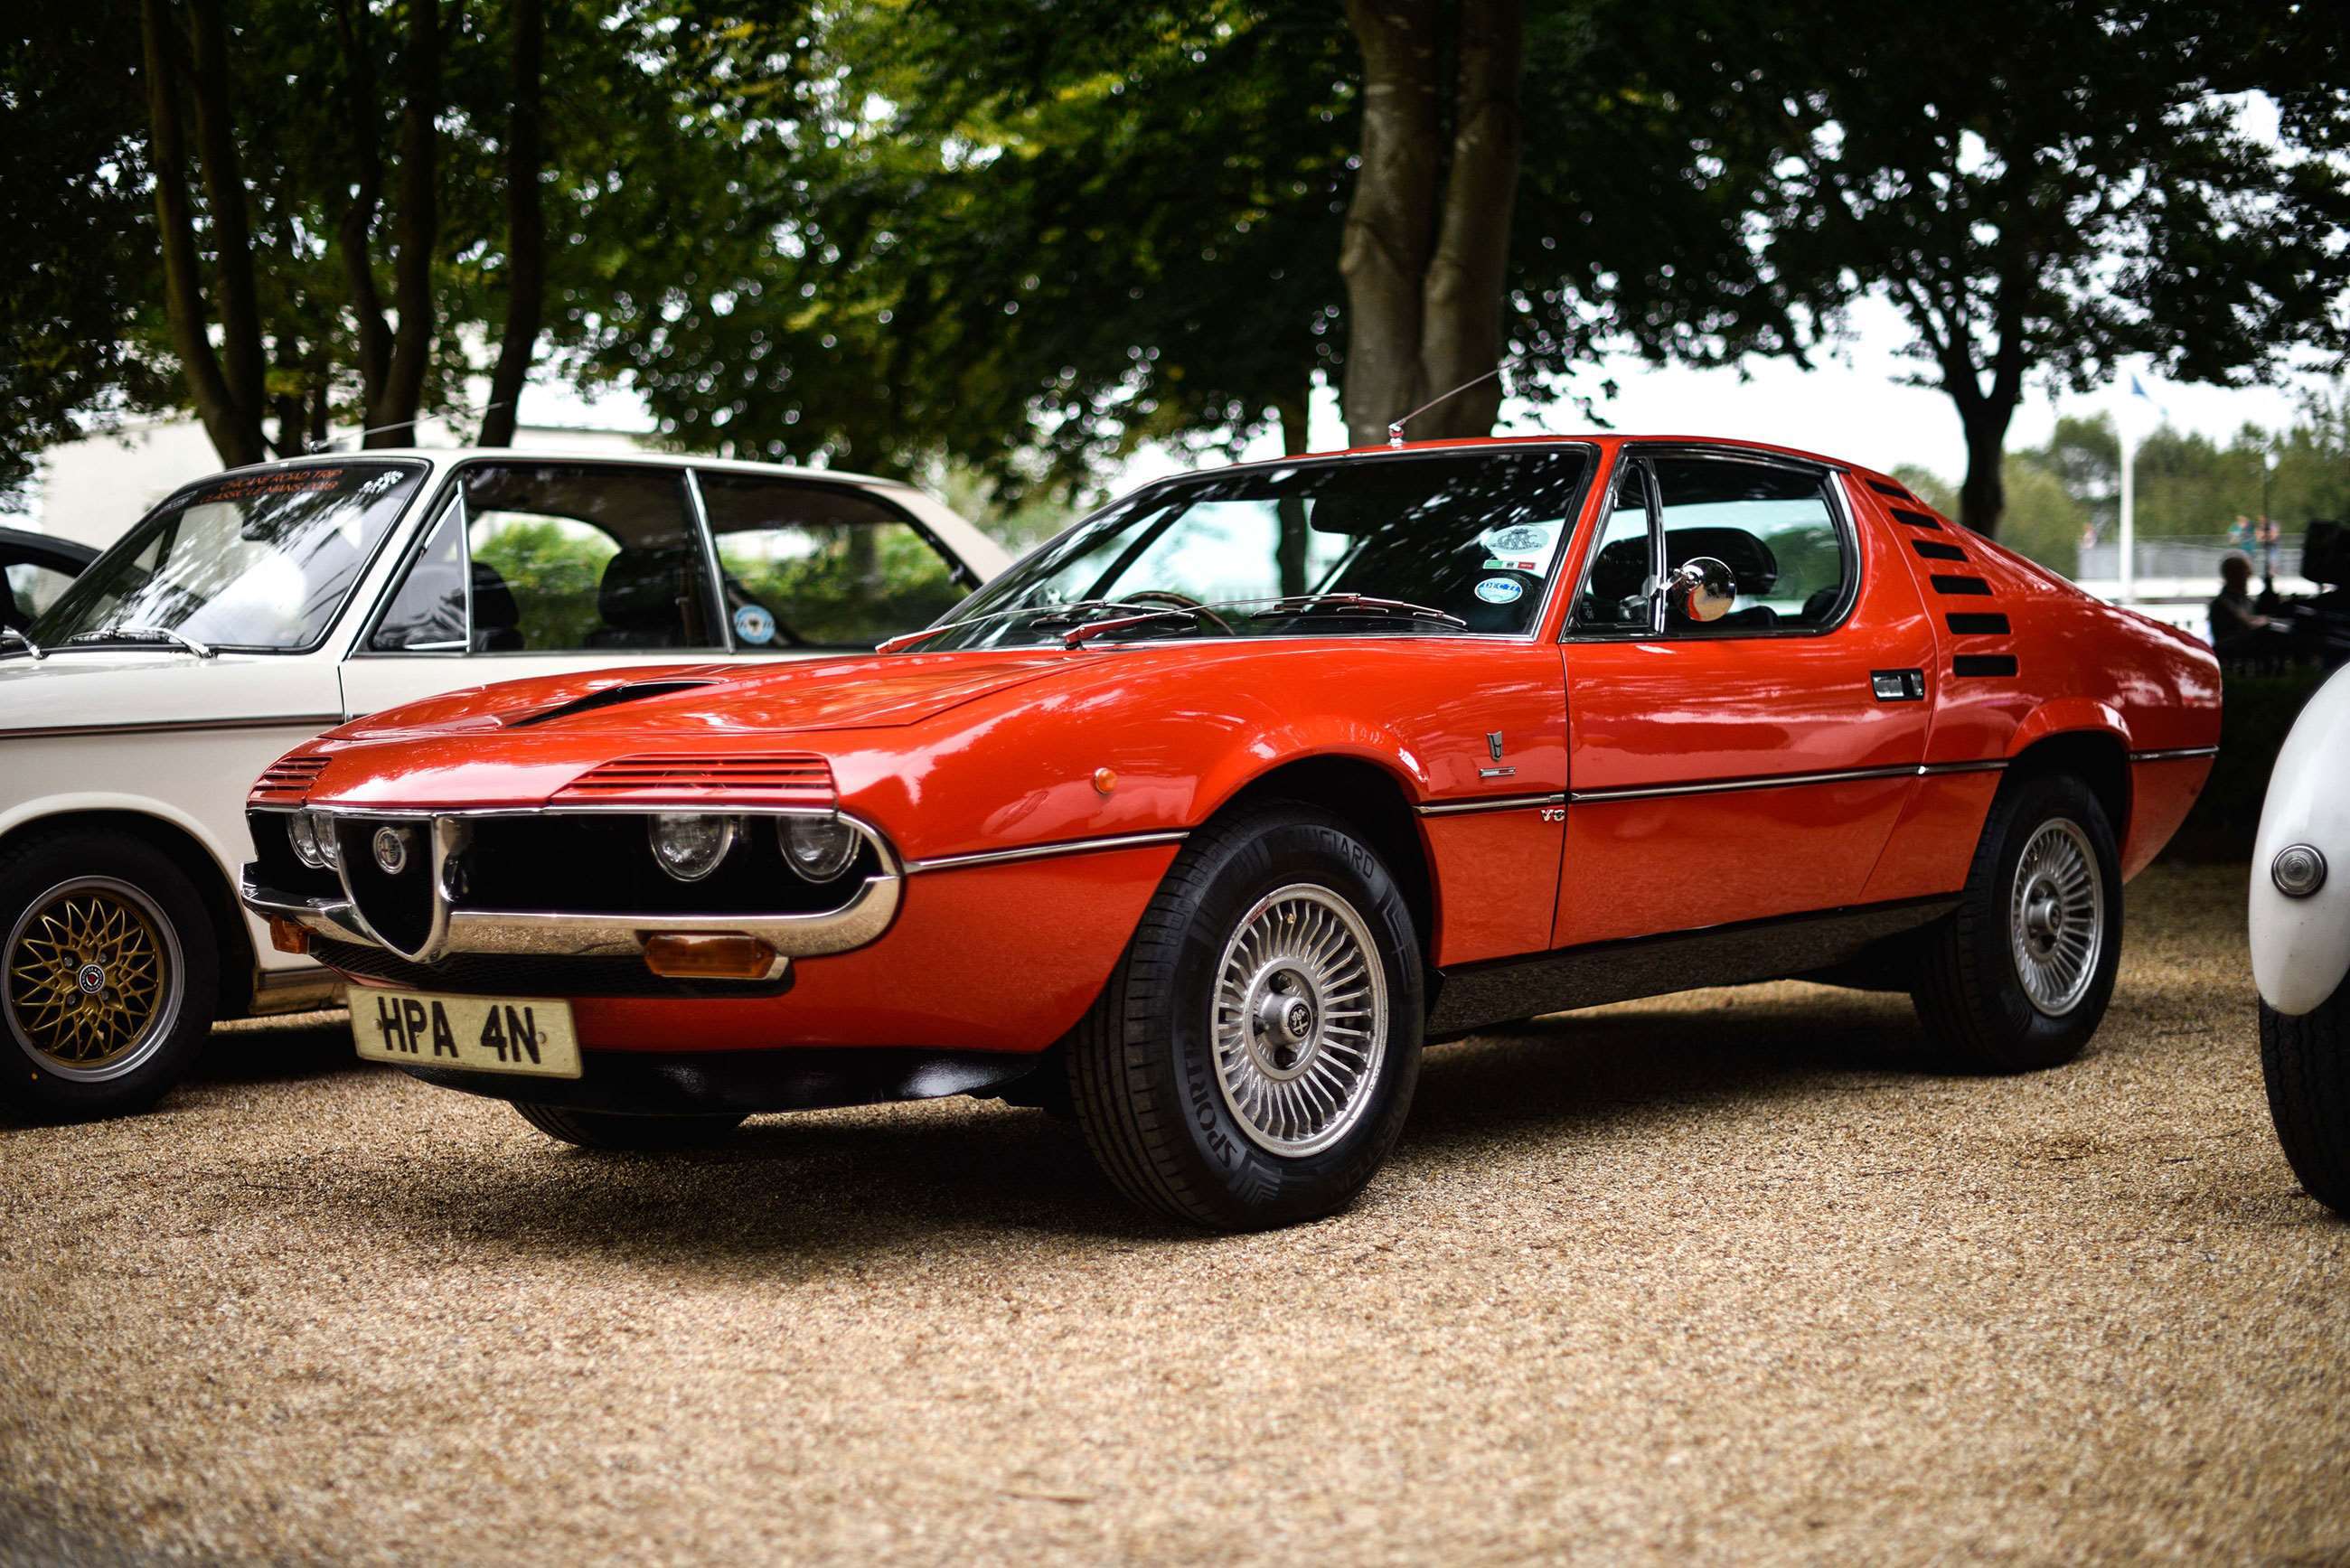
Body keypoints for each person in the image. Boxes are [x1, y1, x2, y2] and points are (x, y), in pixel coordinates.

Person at [2210, 551, 2292, 664]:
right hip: (2234, 657)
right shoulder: (2223, 602)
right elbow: (2247, 623)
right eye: (2245, 572)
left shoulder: (2244, 600)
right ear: (2234, 574)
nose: (2249, 576)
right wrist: (2268, 621)